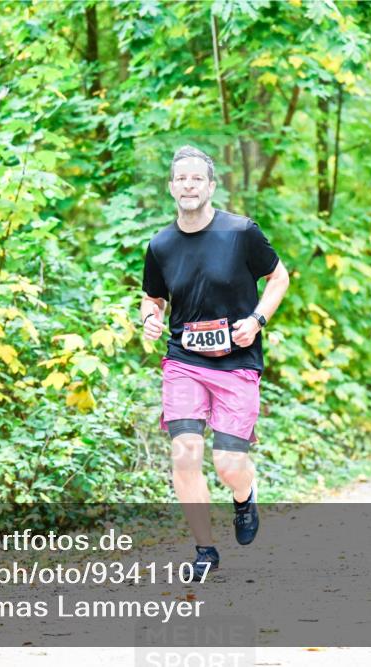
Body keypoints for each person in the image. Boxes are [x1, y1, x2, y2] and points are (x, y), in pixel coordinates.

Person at [141, 145, 290, 581]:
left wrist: (257, 320)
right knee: (185, 452)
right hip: (184, 359)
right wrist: (150, 318)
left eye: (196, 179)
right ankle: (205, 550)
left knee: (227, 463)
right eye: (180, 179)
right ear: (171, 188)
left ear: (210, 186)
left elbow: (279, 277)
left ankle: (245, 495)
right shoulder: (161, 245)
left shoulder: (241, 232)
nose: (188, 185)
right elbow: (153, 299)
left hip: (237, 360)